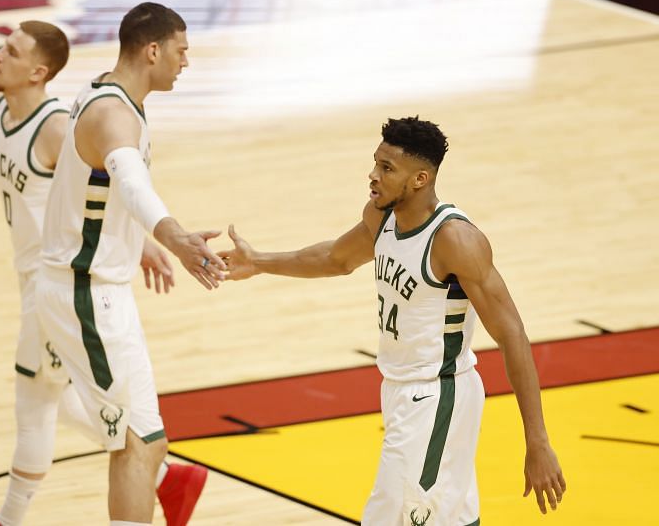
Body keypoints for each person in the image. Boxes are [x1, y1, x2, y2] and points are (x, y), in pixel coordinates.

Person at [0, 20, 205, 526]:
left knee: (41, 400)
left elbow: (103, 184)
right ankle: (167, 477)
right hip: (52, 284)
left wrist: (145, 239)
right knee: (75, 406)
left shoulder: (58, 124)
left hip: (57, 283)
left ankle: (10, 519)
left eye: (10, 50)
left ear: (38, 72)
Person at [218, 117, 566, 525]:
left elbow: (513, 335)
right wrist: (259, 262)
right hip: (402, 390)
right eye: (375, 163)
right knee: (448, 517)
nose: (373, 175)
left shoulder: (455, 240)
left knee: (390, 517)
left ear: (420, 178)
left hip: (437, 396)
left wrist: (537, 440)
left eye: (387, 168)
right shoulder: (382, 217)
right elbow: (336, 259)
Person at [36, 2, 224, 526]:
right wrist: (176, 237)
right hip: (87, 294)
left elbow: (92, 185)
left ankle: (173, 484)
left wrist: (134, 242)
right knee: (138, 443)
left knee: (144, 441)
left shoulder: (98, 91)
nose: (186, 62)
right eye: (182, 50)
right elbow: (132, 183)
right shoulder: (115, 114)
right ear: (153, 49)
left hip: (88, 287)